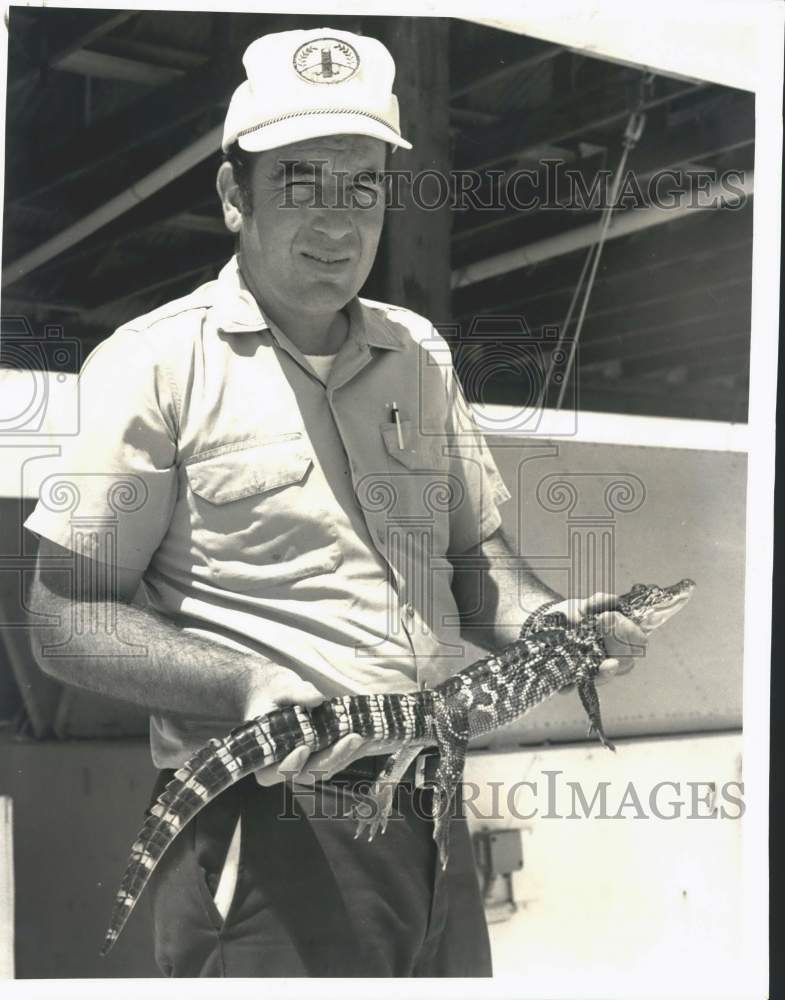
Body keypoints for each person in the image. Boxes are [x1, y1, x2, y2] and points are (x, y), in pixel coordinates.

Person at [25, 27, 647, 978]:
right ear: (236, 196)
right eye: (300, 183)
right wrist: (242, 686)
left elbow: (475, 565)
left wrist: (549, 623)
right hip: (269, 818)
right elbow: (62, 616)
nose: (337, 224)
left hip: (429, 806)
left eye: (362, 186)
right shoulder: (150, 363)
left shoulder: (418, 353)